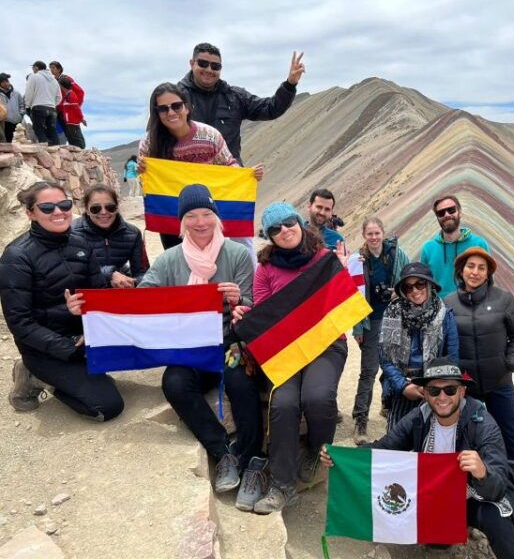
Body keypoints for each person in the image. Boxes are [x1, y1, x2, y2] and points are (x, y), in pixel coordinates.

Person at [132, 184, 266, 509]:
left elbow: (250, 303)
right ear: (182, 222)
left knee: (240, 381)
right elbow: (142, 297)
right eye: (191, 215)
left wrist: (239, 302)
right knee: (174, 383)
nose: (200, 222)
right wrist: (97, 301)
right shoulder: (169, 260)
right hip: (189, 347)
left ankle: (251, 462)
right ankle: (222, 454)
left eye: (206, 214)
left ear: (216, 217)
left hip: (230, 343)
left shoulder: (236, 255)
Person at [320, 357, 514, 559]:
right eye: (434, 391)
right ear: (425, 393)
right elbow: (385, 448)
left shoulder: (481, 422)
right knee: (435, 541)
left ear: (462, 392)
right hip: (435, 497)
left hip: (470, 497)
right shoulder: (420, 416)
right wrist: (341, 457)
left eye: (450, 390)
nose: (442, 397)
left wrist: (482, 473)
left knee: (498, 520)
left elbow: (498, 485)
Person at [235, 202, 348, 513]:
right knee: (283, 404)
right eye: (275, 228)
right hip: (287, 348)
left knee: (317, 397)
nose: (284, 230)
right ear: (270, 236)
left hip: (326, 344)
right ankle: (282, 485)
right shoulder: (266, 269)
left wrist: (341, 272)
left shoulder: (325, 260)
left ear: (300, 223)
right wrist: (248, 317)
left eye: (288, 223)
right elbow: (267, 312)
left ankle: (317, 448)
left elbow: (342, 305)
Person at [0, 181, 124, 420]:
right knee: (107, 406)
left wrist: (89, 319)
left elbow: (98, 293)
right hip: (45, 348)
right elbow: (20, 323)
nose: (58, 212)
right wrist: (69, 348)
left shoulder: (81, 243)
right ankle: (35, 376)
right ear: (30, 213)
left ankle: (83, 369)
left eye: (64, 204)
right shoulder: (16, 257)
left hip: (82, 336)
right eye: (47, 208)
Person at [444, 247, 514, 510]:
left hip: (499, 383)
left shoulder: (504, 299)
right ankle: (473, 489)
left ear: (488, 273)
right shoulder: (449, 302)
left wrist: (512, 361)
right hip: (467, 387)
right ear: (461, 270)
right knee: (469, 437)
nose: (475, 272)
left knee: (511, 433)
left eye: (482, 268)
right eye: (471, 266)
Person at [137, 82, 263, 251]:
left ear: (187, 107)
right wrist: (143, 171)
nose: (171, 112)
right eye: (163, 109)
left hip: (209, 213)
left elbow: (228, 164)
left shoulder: (209, 135)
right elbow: (148, 186)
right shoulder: (149, 143)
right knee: (180, 264)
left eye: (176, 106)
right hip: (173, 217)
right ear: (157, 113)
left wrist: (246, 176)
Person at [178, 42, 304, 163]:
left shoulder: (235, 97)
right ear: (192, 63)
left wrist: (290, 84)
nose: (209, 70)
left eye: (215, 66)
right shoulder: (175, 98)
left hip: (229, 175)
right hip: (188, 176)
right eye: (203, 63)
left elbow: (271, 109)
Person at [350, 216, 410, 444]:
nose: (374, 238)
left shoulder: (396, 255)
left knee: (395, 365)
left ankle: (388, 405)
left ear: (383, 233)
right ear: (364, 236)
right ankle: (360, 418)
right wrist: (358, 327)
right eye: (369, 234)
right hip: (372, 320)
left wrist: (399, 292)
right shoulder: (359, 260)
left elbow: (410, 281)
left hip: (396, 317)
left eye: (377, 233)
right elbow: (354, 297)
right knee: (368, 370)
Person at [378, 262, 458, 431]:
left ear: (429, 285)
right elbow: (385, 359)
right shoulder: (392, 313)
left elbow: (452, 358)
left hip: (435, 387)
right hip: (402, 387)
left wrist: (432, 386)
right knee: (398, 440)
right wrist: (403, 386)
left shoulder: (445, 315)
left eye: (420, 284)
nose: (415, 291)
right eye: (408, 287)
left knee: (432, 442)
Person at [72, 184, 149, 287]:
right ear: (86, 209)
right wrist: (109, 274)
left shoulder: (133, 234)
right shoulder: (72, 233)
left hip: (117, 293)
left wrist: (132, 282)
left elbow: (144, 274)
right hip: (84, 292)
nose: (103, 212)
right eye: (96, 208)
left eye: (110, 207)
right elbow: (70, 271)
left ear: (117, 208)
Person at [420, 195, 490, 298]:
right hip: (440, 310)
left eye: (451, 210)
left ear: (460, 212)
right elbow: (424, 283)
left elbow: (487, 279)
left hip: (472, 307)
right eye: (441, 213)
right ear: (437, 218)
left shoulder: (478, 244)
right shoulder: (428, 249)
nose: (446, 215)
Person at [24, 61, 61, 146]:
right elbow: (59, 97)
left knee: (39, 130)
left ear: (36, 68)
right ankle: (57, 153)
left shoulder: (34, 76)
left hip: (39, 108)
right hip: (52, 109)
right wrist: (52, 104)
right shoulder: (54, 80)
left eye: (33, 67)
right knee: (52, 131)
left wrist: (28, 105)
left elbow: (29, 93)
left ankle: (45, 154)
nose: (32, 69)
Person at [56, 76, 86, 148]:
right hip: (69, 121)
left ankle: (80, 151)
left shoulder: (71, 95)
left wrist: (81, 119)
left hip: (73, 122)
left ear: (61, 85)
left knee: (76, 138)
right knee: (71, 138)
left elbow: (76, 109)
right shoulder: (68, 95)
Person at [0, 73, 25, 142]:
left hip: (18, 121)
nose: (6, 83)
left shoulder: (16, 93)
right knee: (7, 141)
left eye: (7, 81)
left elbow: (22, 104)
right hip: (5, 122)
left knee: (19, 141)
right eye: (3, 82)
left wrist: (21, 114)